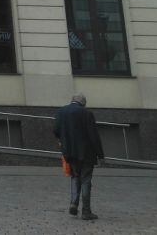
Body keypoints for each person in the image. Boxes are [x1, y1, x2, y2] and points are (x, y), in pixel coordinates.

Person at [53, 92, 104, 221]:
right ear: (83, 103)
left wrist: (62, 141)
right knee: (86, 180)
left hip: (69, 152)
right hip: (86, 153)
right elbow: (94, 136)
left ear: (72, 101)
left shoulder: (61, 112)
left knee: (75, 177)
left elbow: (56, 130)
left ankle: (73, 204)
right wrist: (100, 154)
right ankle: (86, 211)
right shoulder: (87, 114)